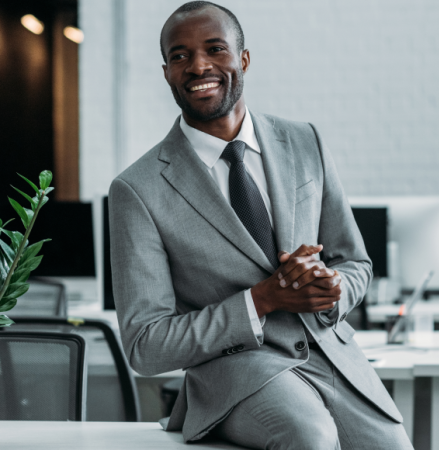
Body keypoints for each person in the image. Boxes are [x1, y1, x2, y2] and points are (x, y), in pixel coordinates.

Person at [108, 2, 412, 449]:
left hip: (332, 357)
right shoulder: (137, 189)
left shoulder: (305, 141)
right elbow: (147, 345)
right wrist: (261, 301)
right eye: (180, 56)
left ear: (243, 58)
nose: (198, 66)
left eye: (215, 49)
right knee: (309, 437)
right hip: (237, 371)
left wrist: (331, 291)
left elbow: (354, 262)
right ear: (167, 72)